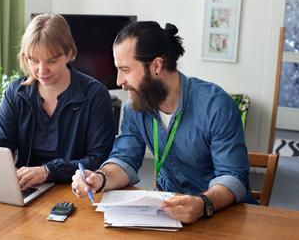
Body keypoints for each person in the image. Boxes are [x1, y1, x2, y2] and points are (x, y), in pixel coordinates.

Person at [71, 21, 256, 224]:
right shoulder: (134, 106)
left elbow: (233, 176)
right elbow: (124, 158)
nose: (119, 81)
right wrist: (100, 178)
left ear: (157, 66)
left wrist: (203, 203)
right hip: (168, 213)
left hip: (219, 214)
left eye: (125, 69)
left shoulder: (215, 105)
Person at [0, 14, 115, 191]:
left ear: (70, 54)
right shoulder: (16, 92)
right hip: (28, 189)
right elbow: (3, 147)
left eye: (52, 61)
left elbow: (99, 159)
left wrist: (48, 171)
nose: (41, 71)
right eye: (33, 60)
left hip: (76, 191)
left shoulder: (95, 95)